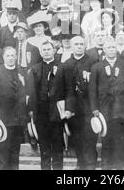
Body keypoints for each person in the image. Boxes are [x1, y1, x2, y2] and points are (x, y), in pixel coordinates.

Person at [89, 38, 124, 169]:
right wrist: (95, 108)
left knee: (120, 138)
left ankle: (120, 165)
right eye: (108, 48)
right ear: (104, 50)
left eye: (113, 47)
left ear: (116, 50)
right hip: (104, 108)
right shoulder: (97, 67)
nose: (111, 50)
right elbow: (92, 89)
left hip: (121, 108)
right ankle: (106, 165)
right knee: (106, 138)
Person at [28, 40, 70, 170]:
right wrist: (31, 111)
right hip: (41, 113)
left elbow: (69, 90)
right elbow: (31, 92)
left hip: (57, 112)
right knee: (44, 147)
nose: (46, 52)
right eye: (44, 50)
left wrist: (68, 109)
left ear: (54, 51)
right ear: (40, 52)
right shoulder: (34, 69)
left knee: (58, 146)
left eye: (48, 49)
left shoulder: (63, 67)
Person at [63, 36, 97, 170]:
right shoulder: (66, 64)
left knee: (90, 137)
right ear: (71, 46)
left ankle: (90, 165)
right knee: (77, 138)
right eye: (76, 44)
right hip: (73, 107)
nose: (79, 46)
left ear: (85, 46)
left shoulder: (93, 62)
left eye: (81, 44)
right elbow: (64, 88)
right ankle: (81, 164)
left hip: (89, 106)